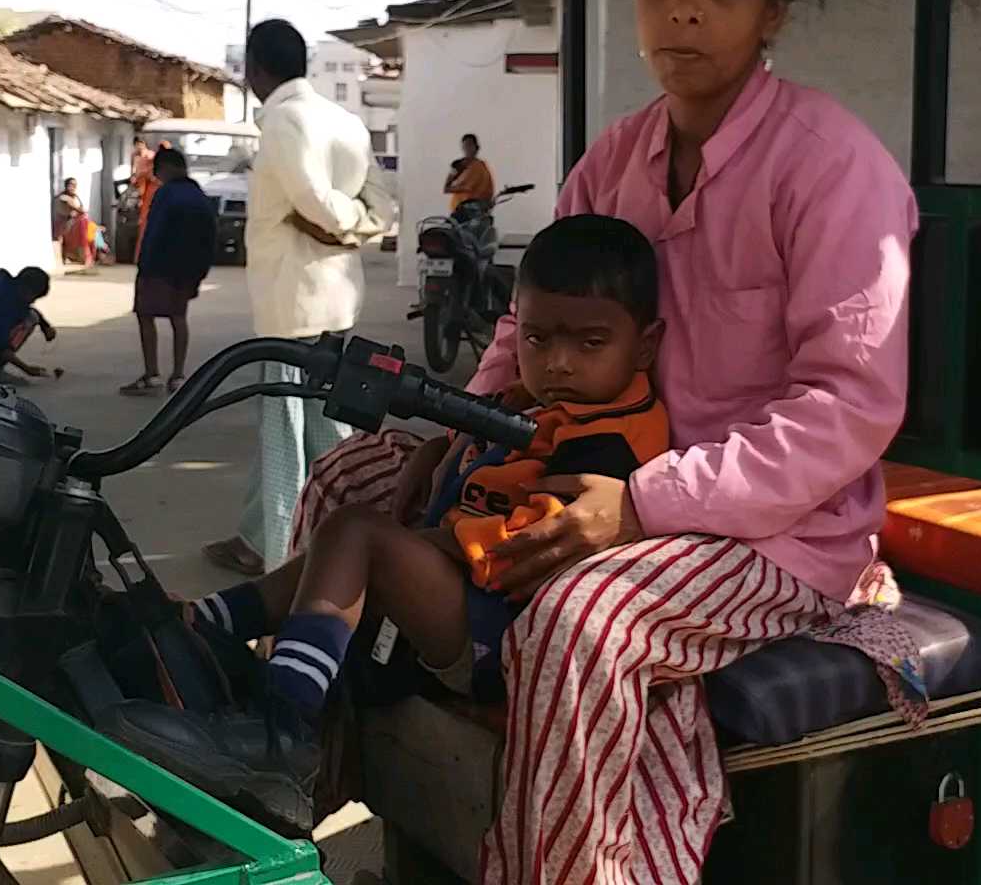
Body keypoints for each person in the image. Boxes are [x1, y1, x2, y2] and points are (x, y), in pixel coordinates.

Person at [229, 0, 918, 882]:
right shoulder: (616, 160)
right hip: (584, 460)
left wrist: (641, 505)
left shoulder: (830, 167)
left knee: (581, 620)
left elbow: (850, 408)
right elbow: (524, 324)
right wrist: (463, 428)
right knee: (347, 481)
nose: (683, 4)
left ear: (773, 11)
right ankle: (301, 786)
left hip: (773, 528)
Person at [104, 215, 669, 835]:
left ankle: (283, 734)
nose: (557, 363)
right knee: (337, 546)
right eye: (537, 341)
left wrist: (422, 544)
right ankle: (201, 627)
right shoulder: (535, 403)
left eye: (589, 344)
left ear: (644, 345)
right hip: (464, 596)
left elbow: (535, 541)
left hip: (504, 626)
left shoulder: (613, 436)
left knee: (356, 534)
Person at [201, 18, 395, 577]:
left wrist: (338, 226)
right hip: (336, 302)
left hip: (291, 305)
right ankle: (298, 534)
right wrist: (358, 226)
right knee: (326, 428)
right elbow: (383, 205)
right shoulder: (347, 122)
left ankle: (280, 551)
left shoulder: (286, 121)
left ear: (257, 69)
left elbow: (312, 201)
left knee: (286, 431)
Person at [121, 147, 216, 396]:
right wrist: (200, 270)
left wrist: (143, 264)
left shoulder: (166, 194)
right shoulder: (199, 194)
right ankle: (178, 375)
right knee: (178, 317)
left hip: (159, 266)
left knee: (145, 315)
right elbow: (210, 235)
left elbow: (155, 231)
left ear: (167, 168)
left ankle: (152, 374)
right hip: (187, 269)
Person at [444, 133, 495, 212]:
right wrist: (463, 188)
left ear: (477, 147)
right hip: (461, 208)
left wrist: (489, 201)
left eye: (470, 145)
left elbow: (489, 187)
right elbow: (446, 188)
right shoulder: (458, 165)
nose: (468, 148)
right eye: (466, 146)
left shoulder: (482, 166)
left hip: (479, 208)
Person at [129, 137, 159, 260]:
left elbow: (150, 173)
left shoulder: (151, 156)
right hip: (142, 191)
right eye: (137, 144)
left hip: (151, 191)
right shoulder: (135, 156)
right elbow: (134, 173)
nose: (139, 146)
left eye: (141, 144)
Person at [54, 178, 93, 268]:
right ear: (66, 186)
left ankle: (93, 255)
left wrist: (80, 211)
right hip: (65, 223)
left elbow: (81, 210)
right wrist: (78, 211)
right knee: (85, 223)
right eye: (70, 185)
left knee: (91, 227)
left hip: (76, 222)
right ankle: (87, 256)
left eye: (74, 185)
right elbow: (77, 209)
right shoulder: (63, 197)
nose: (72, 187)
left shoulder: (75, 196)